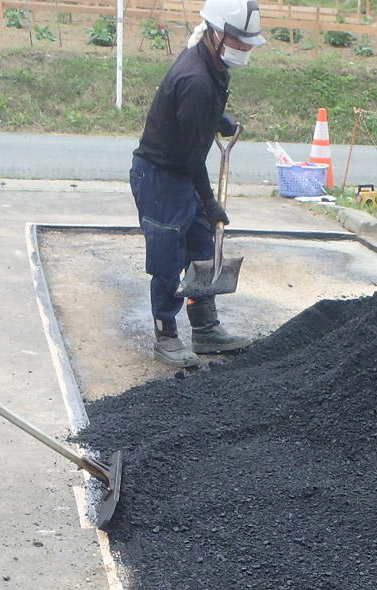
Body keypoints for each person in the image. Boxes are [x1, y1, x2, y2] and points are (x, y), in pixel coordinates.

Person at [130, 0, 264, 367]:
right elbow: (192, 159)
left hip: (179, 172)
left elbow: (192, 111)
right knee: (167, 257)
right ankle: (166, 334)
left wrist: (216, 117)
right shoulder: (196, 79)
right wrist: (211, 204)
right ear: (217, 32)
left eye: (249, 41)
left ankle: (205, 329)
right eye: (239, 40)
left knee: (203, 248)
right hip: (160, 176)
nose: (246, 48)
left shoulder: (212, 63)